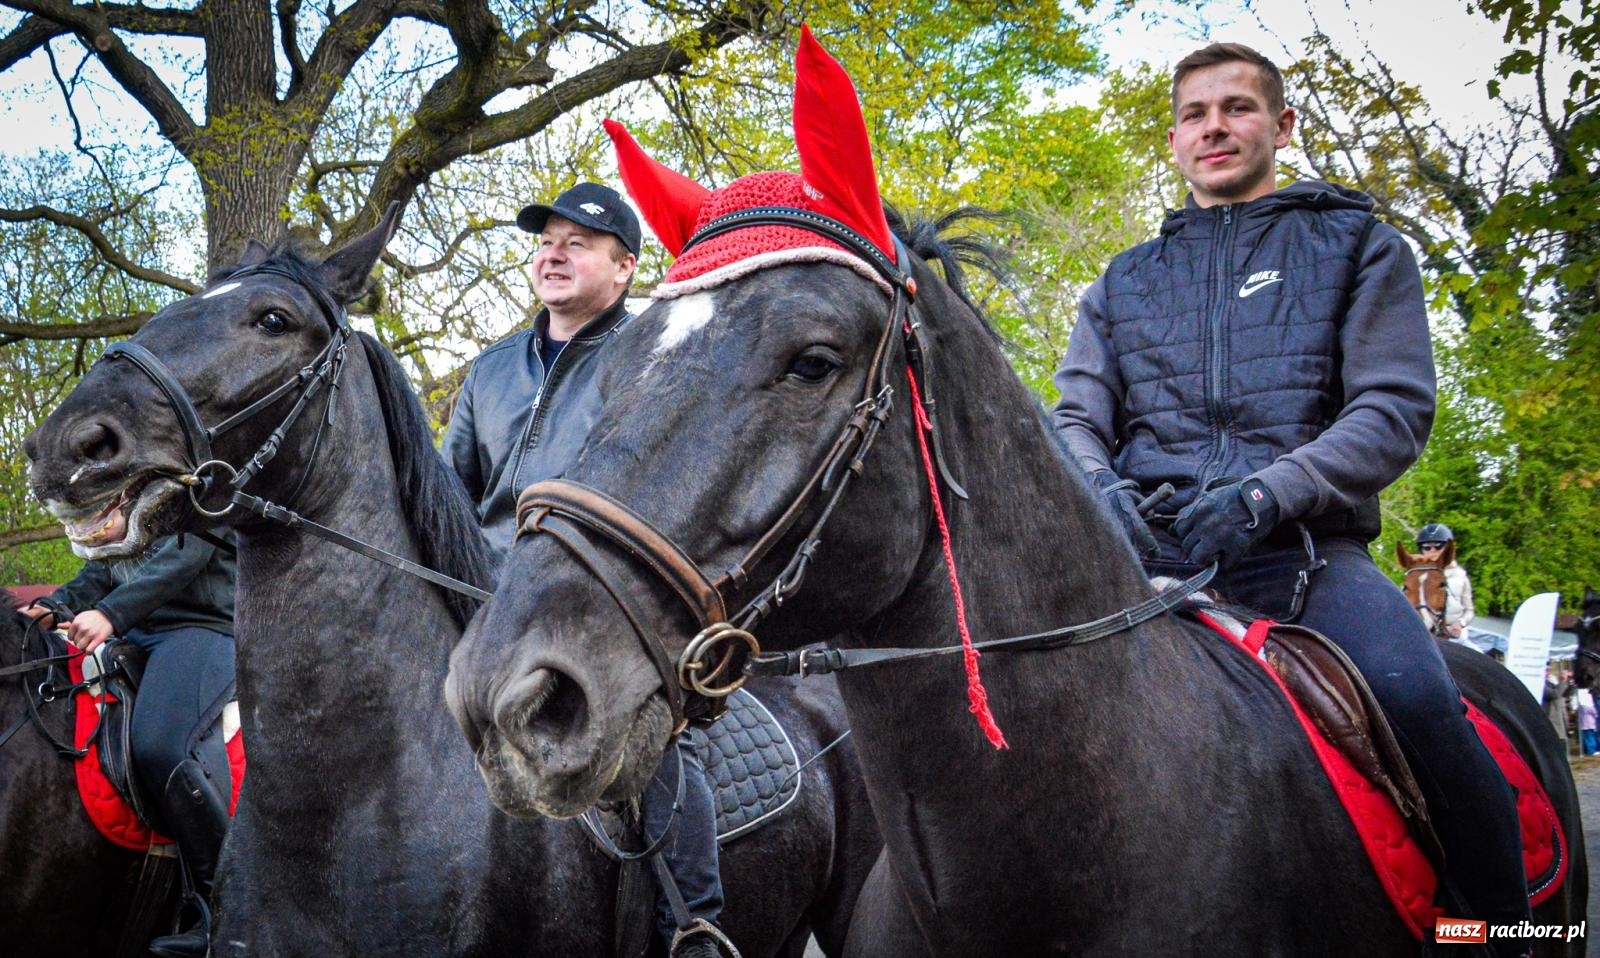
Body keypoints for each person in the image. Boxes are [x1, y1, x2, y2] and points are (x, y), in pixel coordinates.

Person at [1050, 42, 1531, 951]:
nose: (1215, 127)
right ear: (1173, 138)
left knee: (1420, 700)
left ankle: (1497, 936)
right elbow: (1074, 415)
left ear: (1282, 125)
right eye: (1196, 114)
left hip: (1302, 560)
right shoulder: (1121, 282)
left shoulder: (1360, 246)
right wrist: (1102, 489)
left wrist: (1271, 494)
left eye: (1236, 108)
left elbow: (1392, 410)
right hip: (1146, 560)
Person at [444, 183, 735, 958]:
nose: (553, 252)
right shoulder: (490, 370)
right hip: (488, 595)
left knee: (665, 737)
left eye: (578, 242)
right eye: (545, 241)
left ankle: (693, 925)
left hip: (604, 591)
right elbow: (451, 497)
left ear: (625, 268)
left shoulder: (654, 355)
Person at [24, 533, 236, 958]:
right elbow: (105, 567)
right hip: (135, 634)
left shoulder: (203, 471)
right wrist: (52, 607)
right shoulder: (126, 494)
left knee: (161, 746)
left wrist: (109, 612)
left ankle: (226, 911)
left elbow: (185, 554)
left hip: (198, 629)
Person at [1417, 522, 1475, 639]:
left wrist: (1460, 623)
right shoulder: (1415, 575)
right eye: (1427, 547)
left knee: (1477, 654)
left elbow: (1469, 610)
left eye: (1438, 546)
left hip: (1453, 634)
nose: (1432, 551)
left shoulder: (1460, 576)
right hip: (1424, 633)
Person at [1576, 687, 1597, 756]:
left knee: (1587, 737)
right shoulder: (1587, 705)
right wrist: (1596, 713)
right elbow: (1592, 711)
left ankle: (1587, 749)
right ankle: (1591, 750)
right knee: (1589, 737)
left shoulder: (1581, 705)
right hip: (1589, 723)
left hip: (1584, 723)